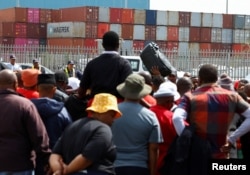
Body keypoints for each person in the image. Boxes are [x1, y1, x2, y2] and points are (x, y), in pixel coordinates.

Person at [173, 64, 250, 160]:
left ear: (200, 80)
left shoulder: (190, 97)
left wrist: (190, 140)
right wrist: (231, 139)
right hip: (221, 154)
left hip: (198, 157)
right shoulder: (232, 96)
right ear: (216, 79)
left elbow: (177, 118)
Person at [49, 93, 122, 175]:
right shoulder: (103, 129)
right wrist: (66, 171)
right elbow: (87, 158)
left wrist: (58, 170)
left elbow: (55, 154)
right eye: (112, 115)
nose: (114, 120)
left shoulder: (73, 125)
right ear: (104, 112)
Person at [0, 69, 51, 175]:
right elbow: (38, 135)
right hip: (21, 165)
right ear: (15, 84)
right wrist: (47, 159)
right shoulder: (25, 105)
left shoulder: (25, 105)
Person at [112, 73, 163, 175]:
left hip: (113, 166)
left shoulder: (112, 112)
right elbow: (154, 149)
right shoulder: (150, 116)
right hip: (139, 167)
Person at [78, 31, 133, 100]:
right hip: (116, 106)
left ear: (103, 45)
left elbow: (81, 91)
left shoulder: (91, 64)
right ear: (118, 45)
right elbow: (130, 90)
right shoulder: (124, 64)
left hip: (95, 106)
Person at [31, 74, 72, 149]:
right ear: (54, 90)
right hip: (55, 155)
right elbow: (70, 135)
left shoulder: (28, 108)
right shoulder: (63, 112)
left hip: (32, 156)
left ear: (37, 88)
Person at [150, 85, 177, 175]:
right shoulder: (171, 117)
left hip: (147, 162)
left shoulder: (146, 114)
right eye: (173, 102)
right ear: (168, 102)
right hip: (165, 164)